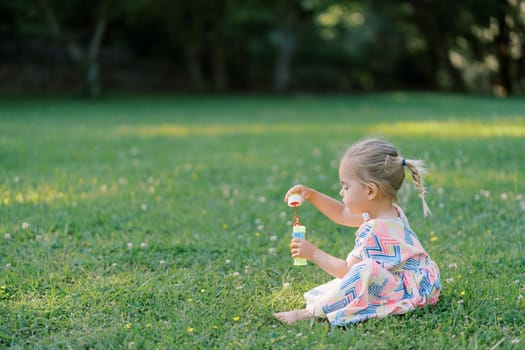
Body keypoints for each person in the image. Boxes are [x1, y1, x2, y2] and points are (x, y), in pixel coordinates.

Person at [274, 137, 441, 326]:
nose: (341, 192)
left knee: (361, 271)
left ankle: (309, 312)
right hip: (423, 285)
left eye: (346, 187)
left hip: (406, 291)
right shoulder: (391, 212)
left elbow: (345, 272)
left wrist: (312, 252)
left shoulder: (374, 229)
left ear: (370, 191)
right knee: (363, 273)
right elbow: (342, 214)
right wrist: (312, 195)